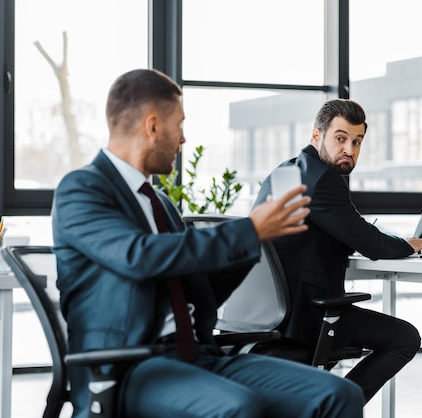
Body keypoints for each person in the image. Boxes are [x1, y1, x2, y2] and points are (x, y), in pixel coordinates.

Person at [51, 70, 365, 418]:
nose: (183, 139)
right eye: (179, 125)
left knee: (340, 395)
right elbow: (138, 256)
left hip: (197, 355)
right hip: (130, 365)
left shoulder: (161, 204)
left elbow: (201, 293)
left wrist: (261, 239)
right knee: (237, 408)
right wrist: (249, 230)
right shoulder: (81, 190)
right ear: (153, 126)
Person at [253, 98, 422, 402]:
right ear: (316, 136)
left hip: (271, 315)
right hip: (310, 315)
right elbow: (372, 245)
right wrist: (408, 244)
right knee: (404, 339)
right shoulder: (324, 180)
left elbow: (308, 234)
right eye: (340, 138)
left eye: (357, 141)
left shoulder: (286, 172)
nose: (349, 149)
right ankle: (337, 406)